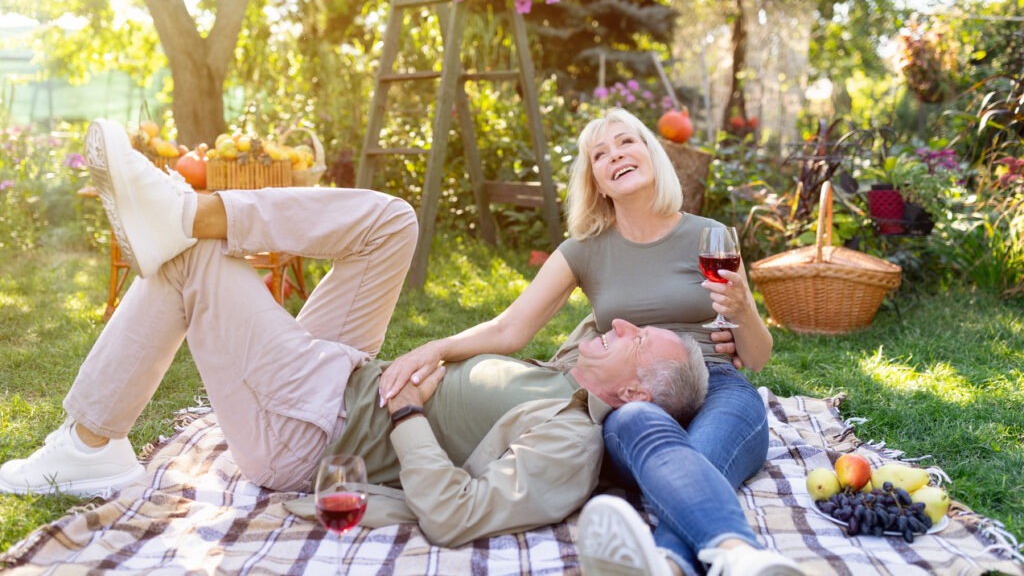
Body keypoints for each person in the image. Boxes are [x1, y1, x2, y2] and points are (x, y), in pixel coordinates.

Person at [0, 119, 710, 549]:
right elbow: (530, 321)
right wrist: (435, 350)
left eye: (635, 336)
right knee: (392, 222)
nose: (619, 322)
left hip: (313, 429)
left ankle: (90, 441)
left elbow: (457, 515)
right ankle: (190, 209)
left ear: (632, 391)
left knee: (194, 265)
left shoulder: (568, 444)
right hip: (343, 371)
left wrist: (404, 415)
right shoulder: (572, 371)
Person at [379, 107, 804, 575]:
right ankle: (730, 558)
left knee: (702, 457)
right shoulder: (584, 249)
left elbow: (758, 357)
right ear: (597, 181)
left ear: (650, 153)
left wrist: (743, 309)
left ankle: (684, 561)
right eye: (600, 154)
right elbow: (510, 328)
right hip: (633, 396)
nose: (615, 155)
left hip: (717, 381)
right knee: (648, 431)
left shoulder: (710, 236)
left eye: (626, 142)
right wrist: (436, 348)